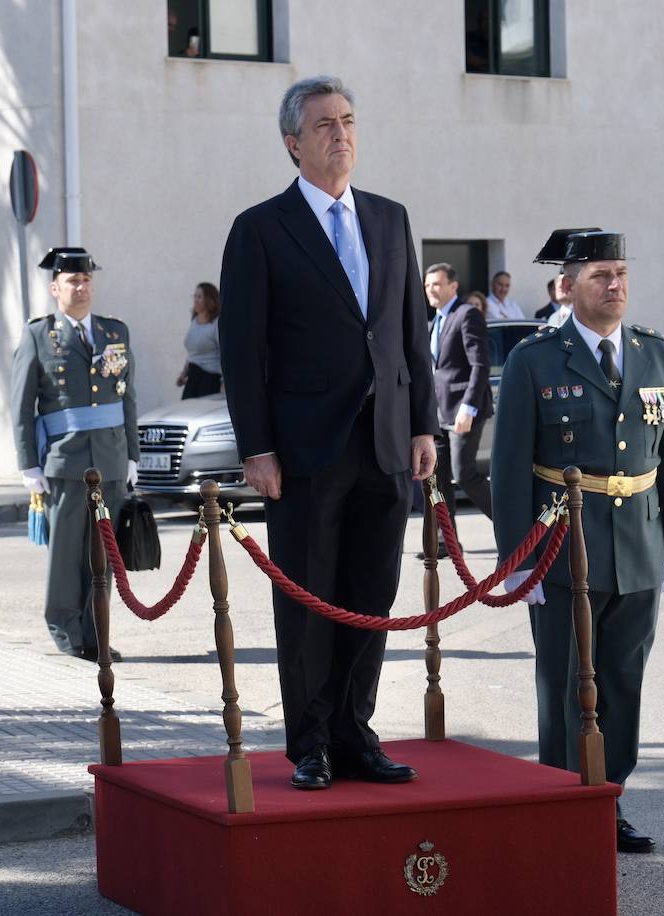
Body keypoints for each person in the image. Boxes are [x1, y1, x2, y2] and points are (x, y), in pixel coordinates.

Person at [219, 75, 438, 791]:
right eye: (323, 125)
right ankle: (309, 741)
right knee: (310, 599)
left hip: (385, 442)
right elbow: (243, 349)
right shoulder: (260, 228)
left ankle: (355, 732)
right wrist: (257, 446)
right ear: (293, 144)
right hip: (306, 448)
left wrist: (423, 425)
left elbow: (411, 335)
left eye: (348, 120)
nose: (340, 134)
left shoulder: (390, 216)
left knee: (370, 596)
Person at [490, 228, 664, 855]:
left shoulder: (658, 354)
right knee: (565, 682)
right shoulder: (536, 359)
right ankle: (561, 801)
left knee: (624, 680)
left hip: (638, 544)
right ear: (568, 286)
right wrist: (516, 562)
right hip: (561, 550)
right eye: (602, 275)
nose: (616, 285)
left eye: (621, 273)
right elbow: (509, 466)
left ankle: (608, 800)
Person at [12, 247, 139, 661]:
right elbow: (22, 404)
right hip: (66, 463)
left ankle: (96, 632)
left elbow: (128, 398)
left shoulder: (114, 332)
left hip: (112, 459)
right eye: (72, 281)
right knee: (68, 556)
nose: (81, 287)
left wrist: (133, 456)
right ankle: (68, 633)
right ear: (55, 288)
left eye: (86, 280)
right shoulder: (38, 335)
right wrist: (29, 465)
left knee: (103, 556)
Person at [425, 261, 493, 536]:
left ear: (453, 286)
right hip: (438, 414)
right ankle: (446, 540)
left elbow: (480, 364)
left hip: (464, 411)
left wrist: (469, 407)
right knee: (438, 480)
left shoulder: (467, 314)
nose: (431, 290)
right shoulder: (434, 322)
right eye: (427, 285)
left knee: (464, 474)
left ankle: (513, 525)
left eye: (437, 284)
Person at [176, 281, 222, 398]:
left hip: (210, 379)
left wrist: (224, 383)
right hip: (193, 377)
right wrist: (183, 374)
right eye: (194, 296)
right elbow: (192, 353)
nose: (195, 300)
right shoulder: (195, 321)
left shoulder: (216, 324)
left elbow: (225, 354)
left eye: (199, 297)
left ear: (209, 299)